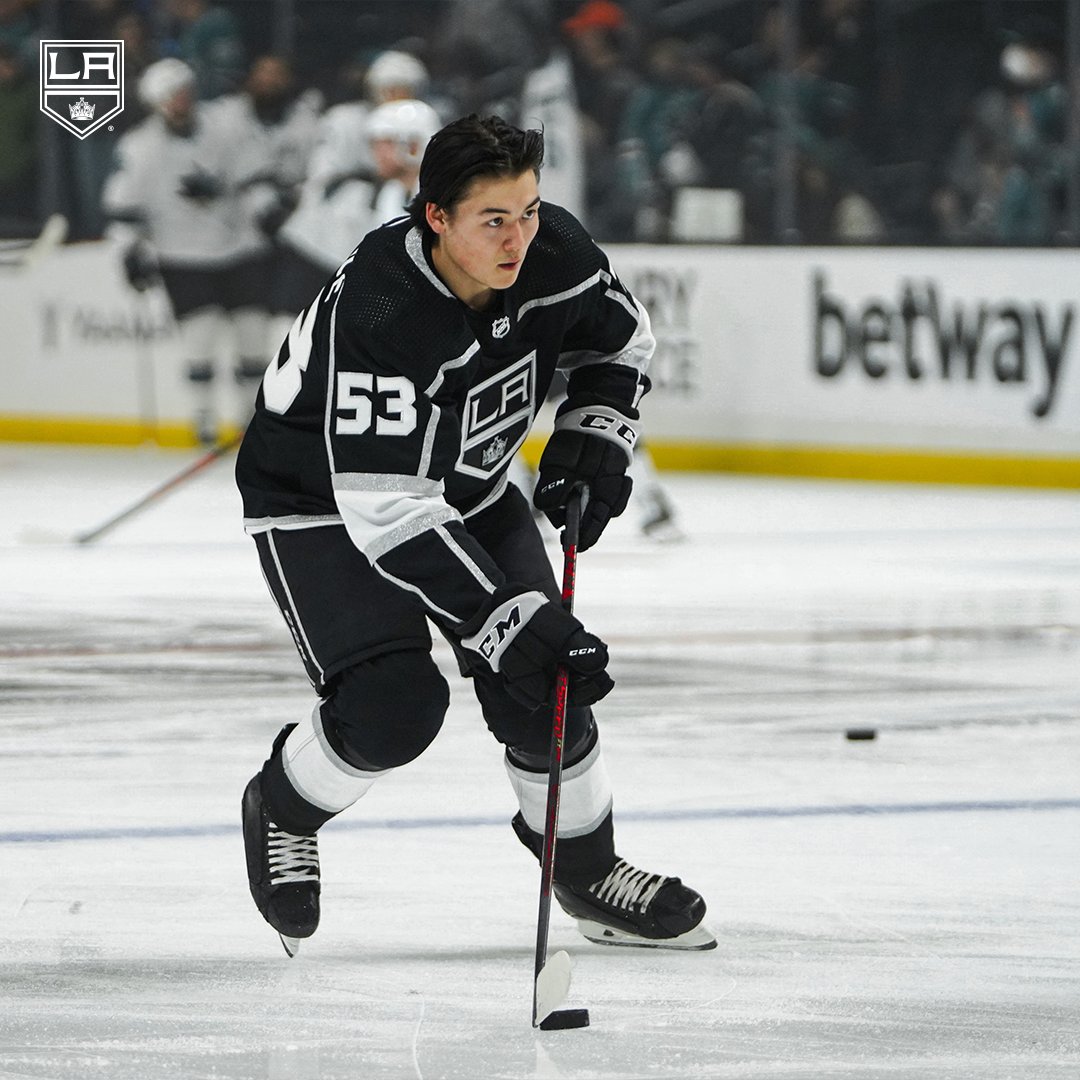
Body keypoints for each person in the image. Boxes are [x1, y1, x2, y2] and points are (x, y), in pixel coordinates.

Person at [235, 113, 715, 955]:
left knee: (544, 688)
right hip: (321, 500)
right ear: (437, 219)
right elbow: (387, 512)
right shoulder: (384, 308)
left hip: (470, 481)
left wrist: (595, 432)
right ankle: (282, 803)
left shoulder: (553, 249)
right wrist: (505, 620)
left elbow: (622, 341)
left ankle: (586, 869)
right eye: (494, 219)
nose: (520, 237)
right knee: (395, 707)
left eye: (529, 209)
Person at [102, 58, 276, 444]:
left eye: (185, 92)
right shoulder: (139, 147)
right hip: (181, 253)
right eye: (172, 96)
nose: (182, 101)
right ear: (156, 102)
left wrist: (267, 213)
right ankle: (204, 419)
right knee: (200, 337)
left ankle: (251, 417)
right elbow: (124, 209)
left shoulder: (226, 126)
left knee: (253, 334)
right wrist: (128, 252)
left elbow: (254, 178)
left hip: (240, 246)